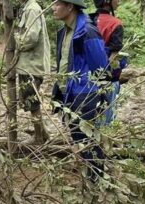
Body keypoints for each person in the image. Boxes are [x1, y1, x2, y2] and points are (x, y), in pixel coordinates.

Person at [51, 0, 109, 179]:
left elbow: (101, 68)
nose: (53, 7)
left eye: (57, 4)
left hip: (85, 94)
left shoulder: (87, 32)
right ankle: (88, 180)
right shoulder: (64, 32)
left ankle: (96, 182)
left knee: (88, 143)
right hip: (69, 92)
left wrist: (98, 95)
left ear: (70, 7)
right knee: (77, 139)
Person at [15, 0, 51, 142]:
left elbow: (31, 38)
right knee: (31, 101)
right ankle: (44, 134)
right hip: (28, 65)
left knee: (32, 102)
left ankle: (38, 137)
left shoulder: (32, 9)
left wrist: (15, 40)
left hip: (32, 65)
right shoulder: (28, 8)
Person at [90, 0, 126, 126]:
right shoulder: (115, 24)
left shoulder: (88, 21)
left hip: (88, 77)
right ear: (107, 2)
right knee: (106, 115)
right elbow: (114, 56)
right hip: (107, 78)